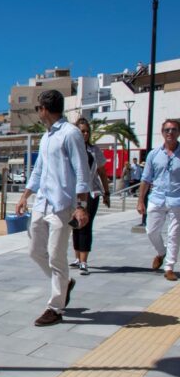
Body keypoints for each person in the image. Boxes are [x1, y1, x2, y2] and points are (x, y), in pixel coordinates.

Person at [15, 90, 90, 327]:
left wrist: (81, 206)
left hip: (62, 205)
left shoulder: (71, 134)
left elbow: (82, 172)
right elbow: (38, 170)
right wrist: (25, 195)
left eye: (38, 108)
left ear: (44, 109)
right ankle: (65, 284)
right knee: (35, 251)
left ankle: (56, 307)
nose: (38, 112)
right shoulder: (46, 136)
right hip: (42, 203)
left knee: (57, 255)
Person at [137, 119, 180, 282]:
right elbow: (146, 178)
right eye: (167, 130)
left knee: (174, 235)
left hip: (177, 199)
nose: (170, 132)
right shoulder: (154, 154)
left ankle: (169, 267)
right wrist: (140, 200)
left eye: (174, 129)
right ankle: (162, 253)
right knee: (151, 231)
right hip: (157, 198)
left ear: (178, 132)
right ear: (162, 133)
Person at [69, 118, 110, 275]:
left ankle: (84, 261)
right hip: (75, 192)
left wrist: (106, 192)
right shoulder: (71, 149)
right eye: (81, 131)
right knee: (75, 225)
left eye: (87, 131)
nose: (84, 134)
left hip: (91, 192)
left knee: (85, 224)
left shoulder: (94, 150)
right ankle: (77, 257)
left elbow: (102, 172)